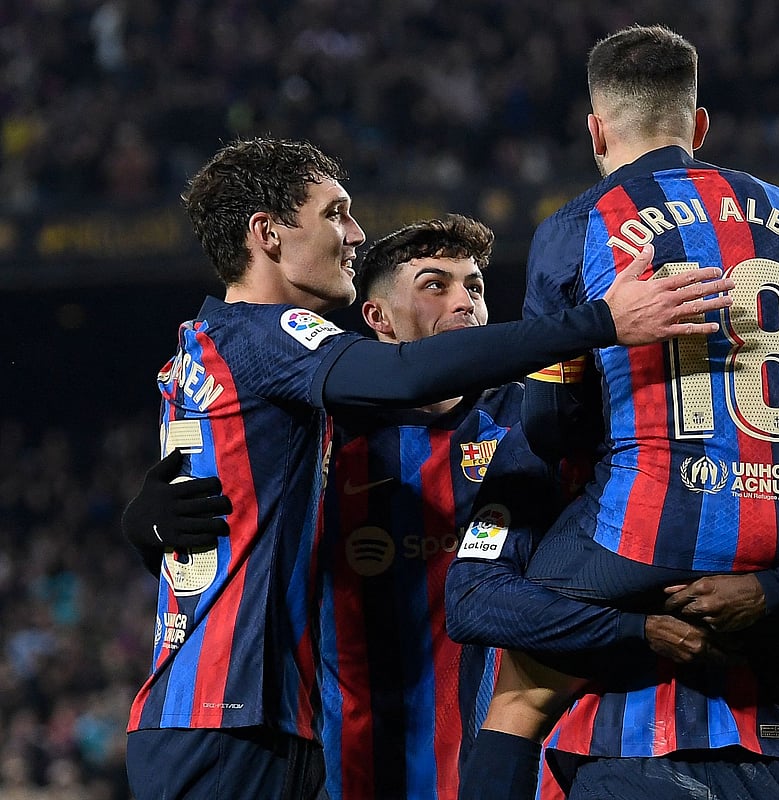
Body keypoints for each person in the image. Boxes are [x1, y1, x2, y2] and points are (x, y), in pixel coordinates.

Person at [119, 136, 735, 800]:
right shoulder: (314, 394)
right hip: (305, 745)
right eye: (335, 213)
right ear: (377, 319)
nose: (354, 233)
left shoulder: (533, 423)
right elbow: (396, 381)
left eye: (474, 285)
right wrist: (598, 320)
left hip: (478, 757)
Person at [447, 24, 779, 800]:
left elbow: (552, 428)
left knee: (520, 690)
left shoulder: (577, 227)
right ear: (699, 126)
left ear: (596, 130)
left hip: (650, 535)